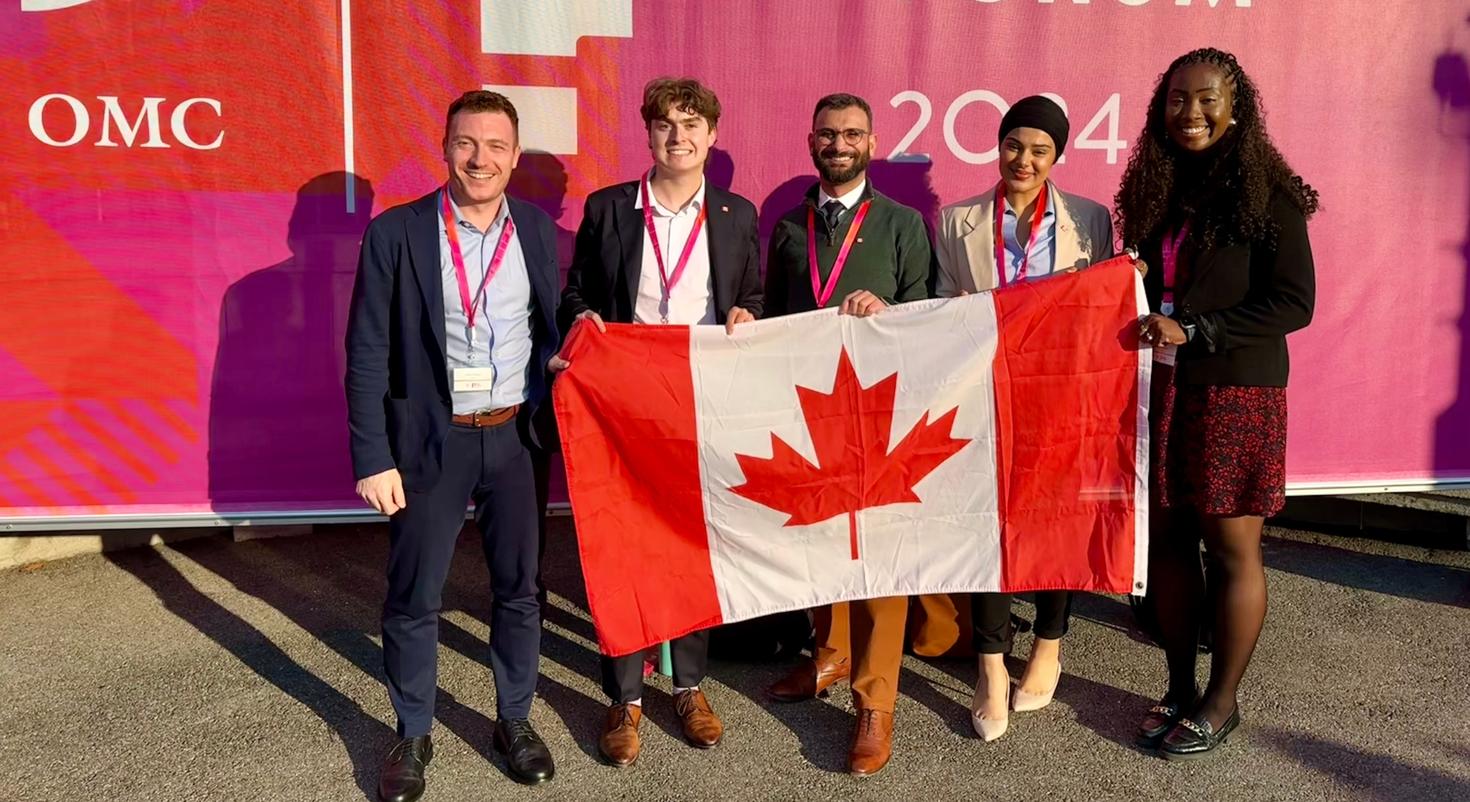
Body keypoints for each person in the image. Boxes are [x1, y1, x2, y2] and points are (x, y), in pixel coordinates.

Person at [344, 90, 565, 800]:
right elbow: (368, 351)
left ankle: (515, 720)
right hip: (430, 444)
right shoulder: (397, 233)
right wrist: (372, 455)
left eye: (497, 146)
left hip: (515, 438)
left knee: (520, 591)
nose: (481, 159)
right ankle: (412, 731)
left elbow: (553, 331)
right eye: (468, 143)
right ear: (444, 148)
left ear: (515, 156)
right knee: (414, 594)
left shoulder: (533, 229)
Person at [1115, 48, 1317, 760]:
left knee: (1232, 550)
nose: (1189, 113)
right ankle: (1177, 686)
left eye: (1204, 100)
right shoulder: (1158, 189)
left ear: (1237, 107)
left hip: (1236, 389)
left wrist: (1198, 328)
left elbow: (1294, 302)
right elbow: (1151, 282)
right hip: (1162, 384)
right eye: (1176, 99)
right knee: (1167, 543)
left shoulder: (1269, 194)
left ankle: (1221, 701)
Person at [557, 76, 762, 767]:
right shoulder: (611, 208)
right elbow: (578, 291)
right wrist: (581, 319)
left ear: (712, 134)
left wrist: (748, 316)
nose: (679, 137)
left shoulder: (737, 214)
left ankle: (690, 685)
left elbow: (752, 295)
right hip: (625, 406)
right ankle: (625, 697)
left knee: (693, 548)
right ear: (648, 134)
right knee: (626, 548)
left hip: (702, 405)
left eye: (691, 124)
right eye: (666, 125)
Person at [933, 95, 1116, 742]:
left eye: (1040, 150)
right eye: (1015, 145)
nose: (1024, 160)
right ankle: (989, 665)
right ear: (998, 146)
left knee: (1056, 527)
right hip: (986, 395)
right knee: (988, 529)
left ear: (1057, 157)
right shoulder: (955, 222)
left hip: (1061, 400)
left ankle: (1047, 648)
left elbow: (1100, 312)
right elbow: (942, 310)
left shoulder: (1092, 222)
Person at [762, 92, 931, 776]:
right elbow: (772, 319)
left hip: (882, 420)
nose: (839, 143)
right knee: (821, 543)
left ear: (872, 142)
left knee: (881, 562)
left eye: (852, 133)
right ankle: (828, 654)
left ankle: (876, 702)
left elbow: (931, 314)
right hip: (811, 417)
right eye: (828, 134)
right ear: (811, 140)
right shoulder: (787, 226)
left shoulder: (902, 223)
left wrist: (888, 312)